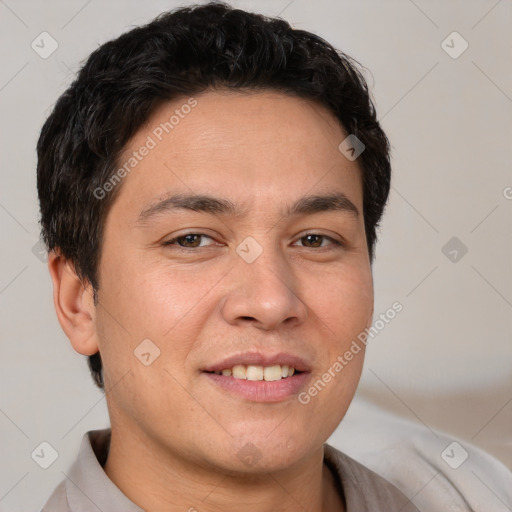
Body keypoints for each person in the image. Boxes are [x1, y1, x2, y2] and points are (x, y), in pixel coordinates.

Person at [37, 2, 418, 510]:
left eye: (314, 240)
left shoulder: (472, 488)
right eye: (192, 240)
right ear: (79, 301)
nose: (269, 301)